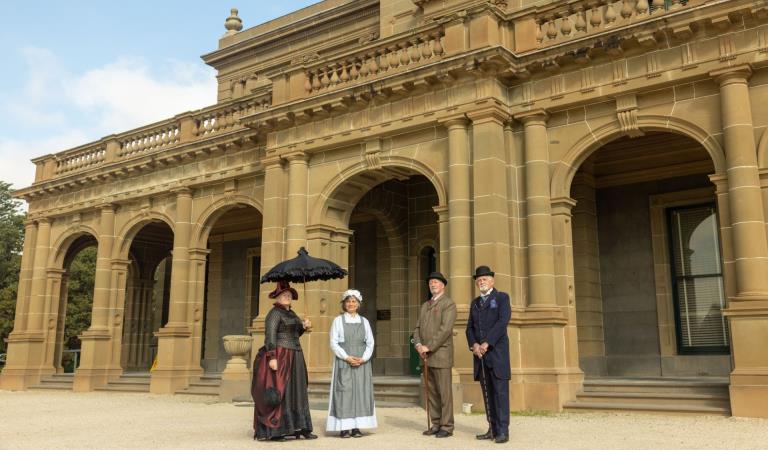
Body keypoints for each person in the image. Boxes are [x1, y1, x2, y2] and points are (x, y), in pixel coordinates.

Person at [251, 280, 318, 442]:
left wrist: (303, 326)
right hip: (281, 355)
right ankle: (277, 430)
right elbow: (270, 336)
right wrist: (272, 357)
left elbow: (295, 334)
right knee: (282, 389)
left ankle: (300, 427)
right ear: (278, 298)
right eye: (284, 295)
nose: (287, 297)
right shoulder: (274, 313)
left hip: (295, 355)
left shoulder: (292, 314)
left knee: (298, 389)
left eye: (289, 295)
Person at [465, 266, 511, 444]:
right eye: (479, 279)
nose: (481, 281)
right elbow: (469, 328)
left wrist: (486, 343)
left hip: (497, 355)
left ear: (492, 281)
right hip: (480, 356)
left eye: (485, 278)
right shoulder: (474, 303)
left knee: (500, 394)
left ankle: (503, 431)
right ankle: (492, 429)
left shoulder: (501, 298)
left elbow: (502, 322)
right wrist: (474, 344)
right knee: (487, 393)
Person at [327, 289, 377, 438]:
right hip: (345, 361)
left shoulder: (365, 321)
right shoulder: (338, 321)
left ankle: (357, 427)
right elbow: (333, 343)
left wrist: (364, 358)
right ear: (344, 304)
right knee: (344, 393)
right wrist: (346, 357)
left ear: (358, 304)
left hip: (361, 362)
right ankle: (344, 427)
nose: (351, 304)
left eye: (354, 301)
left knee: (361, 393)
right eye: (348, 301)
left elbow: (370, 342)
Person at [413, 271, 457, 438]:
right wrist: (418, 344)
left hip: (441, 354)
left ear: (443, 285)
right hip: (425, 356)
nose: (432, 285)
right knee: (431, 393)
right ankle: (436, 423)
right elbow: (417, 328)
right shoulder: (425, 305)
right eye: (431, 282)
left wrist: (428, 347)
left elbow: (445, 330)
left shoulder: (448, 304)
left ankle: (447, 426)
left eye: (436, 282)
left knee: (444, 393)